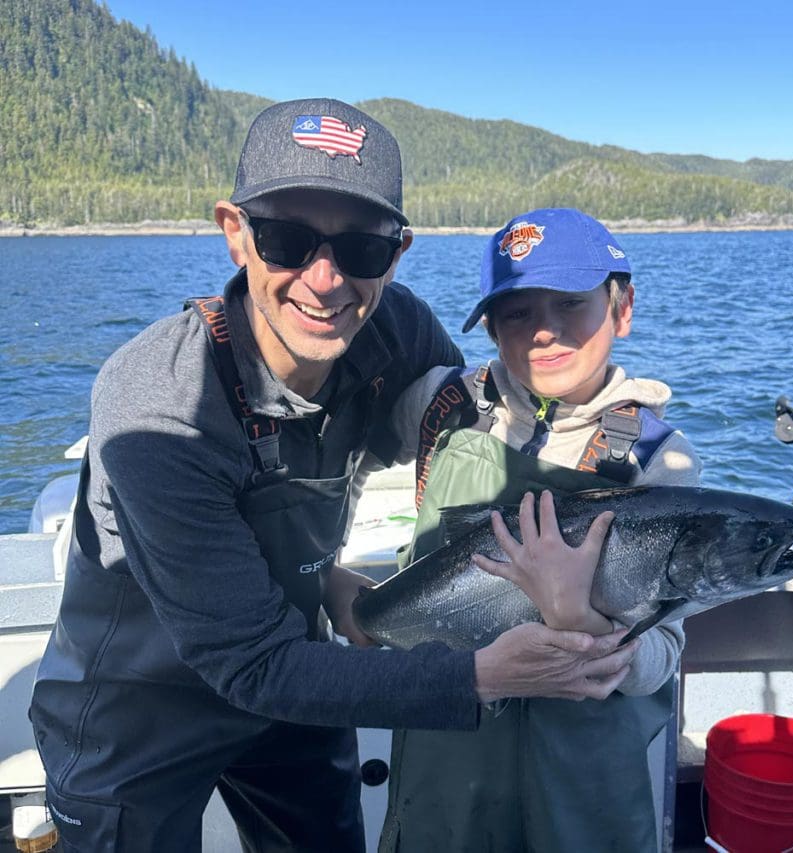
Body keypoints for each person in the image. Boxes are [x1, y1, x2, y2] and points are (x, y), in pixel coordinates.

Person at [28, 102, 637, 853]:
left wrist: (606, 419)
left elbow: (489, 427)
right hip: (138, 712)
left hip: (294, 672)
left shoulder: (395, 332)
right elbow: (249, 664)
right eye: (287, 239)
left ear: (398, 252)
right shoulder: (159, 405)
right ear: (235, 233)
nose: (325, 280)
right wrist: (479, 676)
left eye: (360, 248)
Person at [359, 207, 702, 852]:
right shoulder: (443, 406)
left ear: (621, 308)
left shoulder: (658, 458)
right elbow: (338, 446)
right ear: (489, 326)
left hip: (585, 788)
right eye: (517, 313)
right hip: (443, 767)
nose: (544, 332)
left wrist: (588, 628)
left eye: (571, 303)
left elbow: (665, 656)